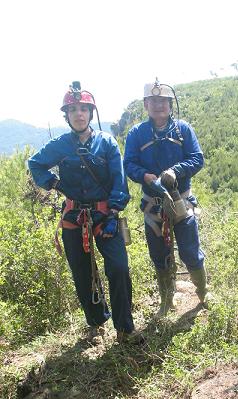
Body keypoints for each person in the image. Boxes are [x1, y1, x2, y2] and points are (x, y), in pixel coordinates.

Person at [28, 82, 136, 344]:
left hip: (104, 216)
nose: (78, 114)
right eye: (73, 109)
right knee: (81, 272)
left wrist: (113, 211)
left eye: (83, 109)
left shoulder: (107, 143)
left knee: (119, 268)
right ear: (67, 115)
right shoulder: (60, 145)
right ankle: (96, 321)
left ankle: (124, 328)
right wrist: (52, 183)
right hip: (74, 217)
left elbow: (119, 181)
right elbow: (35, 164)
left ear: (90, 112)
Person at [124, 79, 210, 317]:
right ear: (145, 104)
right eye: (153, 101)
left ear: (170, 104)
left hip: (182, 201)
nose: (158, 105)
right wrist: (146, 176)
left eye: (162, 101)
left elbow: (197, 158)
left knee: (190, 251)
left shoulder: (183, 129)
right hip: (153, 206)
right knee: (159, 255)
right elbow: (129, 164)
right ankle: (166, 299)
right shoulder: (137, 133)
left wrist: (176, 171)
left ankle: (203, 292)